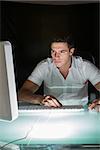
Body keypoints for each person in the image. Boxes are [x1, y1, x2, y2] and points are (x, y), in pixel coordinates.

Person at [18, 36, 100, 109]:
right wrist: (40, 99)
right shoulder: (44, 66)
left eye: (62, 51)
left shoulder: (85, 66)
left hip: (81, 111)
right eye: (53, 51)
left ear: (71, 52)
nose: (56, 56)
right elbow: (21, 94)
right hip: (51, 111)